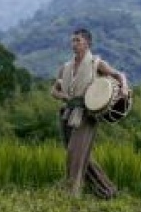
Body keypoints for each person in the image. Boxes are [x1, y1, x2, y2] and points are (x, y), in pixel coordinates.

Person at [50, 27, 130, 199]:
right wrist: (63, 95)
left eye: (78, 40)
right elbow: (54, 90)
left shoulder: (96, 63)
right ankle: (107, 191)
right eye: (73, 40)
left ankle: (72, 193)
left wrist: (124, 87)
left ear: (87, 43)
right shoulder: (65, 67)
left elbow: (119, 75)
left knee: (75, 152)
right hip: (67, 112)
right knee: (80, 154)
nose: (74, 43)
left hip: (87, 114)